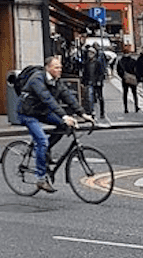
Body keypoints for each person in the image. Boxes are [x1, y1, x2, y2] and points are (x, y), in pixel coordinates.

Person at [17, 55, 90, 193]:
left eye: (60, 67)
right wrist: (64, 116)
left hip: (42, 111)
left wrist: (82, 113)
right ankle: (41, 179)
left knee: (63, 126)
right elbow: (48, 99)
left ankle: (44, 151)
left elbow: (67, 96)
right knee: (42, 141)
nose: (60, 70)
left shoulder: (57, 81)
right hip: (27, 113)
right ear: (48, 68)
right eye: (56, 67)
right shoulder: (37, 79)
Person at [81, 47, 106, 119]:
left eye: (91, 53)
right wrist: (84, 81)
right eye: (89, 53)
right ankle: (91, 111)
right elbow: (85, 73)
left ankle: (102, 112)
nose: (89, 54)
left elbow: (101, 72)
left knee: (100, 98)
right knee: (90, 98)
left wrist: (99, 81)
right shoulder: (86, 63)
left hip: (97, 83)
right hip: (90, 82)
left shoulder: (98, 63)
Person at [116, 48, 140, 113]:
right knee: (134, 93)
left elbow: (118, 70)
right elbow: (137, 69)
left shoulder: (120, 61)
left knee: (125, 93)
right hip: (132, 78)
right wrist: (136, 77)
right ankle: (136, 106)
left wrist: (122, 76)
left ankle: (126, 108)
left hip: (125, 79)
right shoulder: (133, 61)